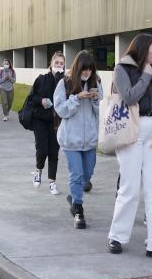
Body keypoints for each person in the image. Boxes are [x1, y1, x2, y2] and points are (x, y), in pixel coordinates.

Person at [107, 33, 152, 261]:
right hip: (131, 132)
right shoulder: (122, 69)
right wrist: (146, 76)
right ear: (144, 49)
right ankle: (117, 236)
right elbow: (129, 97)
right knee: (129, 187)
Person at [53, 50, 103, 229]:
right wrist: (76, 98)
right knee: (76, 174)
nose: (87, 73)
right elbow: (60, 110)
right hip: (70, 139)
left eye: (90, 69)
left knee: (87, 174)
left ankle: (74, 198)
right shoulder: (65, 83)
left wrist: (96, 100)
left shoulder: (96, 82)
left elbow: (101, 111)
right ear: (77, 68)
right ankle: (79, 210)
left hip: (90, 139)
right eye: (84, 69)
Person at [31, 51, 65, 195]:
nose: (58, 65)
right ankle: (38, 170)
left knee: (53, 152)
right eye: (56, 62)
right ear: (51, 64)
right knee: (42, 150)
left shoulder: (66, 81)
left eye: (61, 63)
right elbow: (31, 98)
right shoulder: (42, 79)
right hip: (40, 119)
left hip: (57, 122)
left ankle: (52, 182)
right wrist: (41, 100)